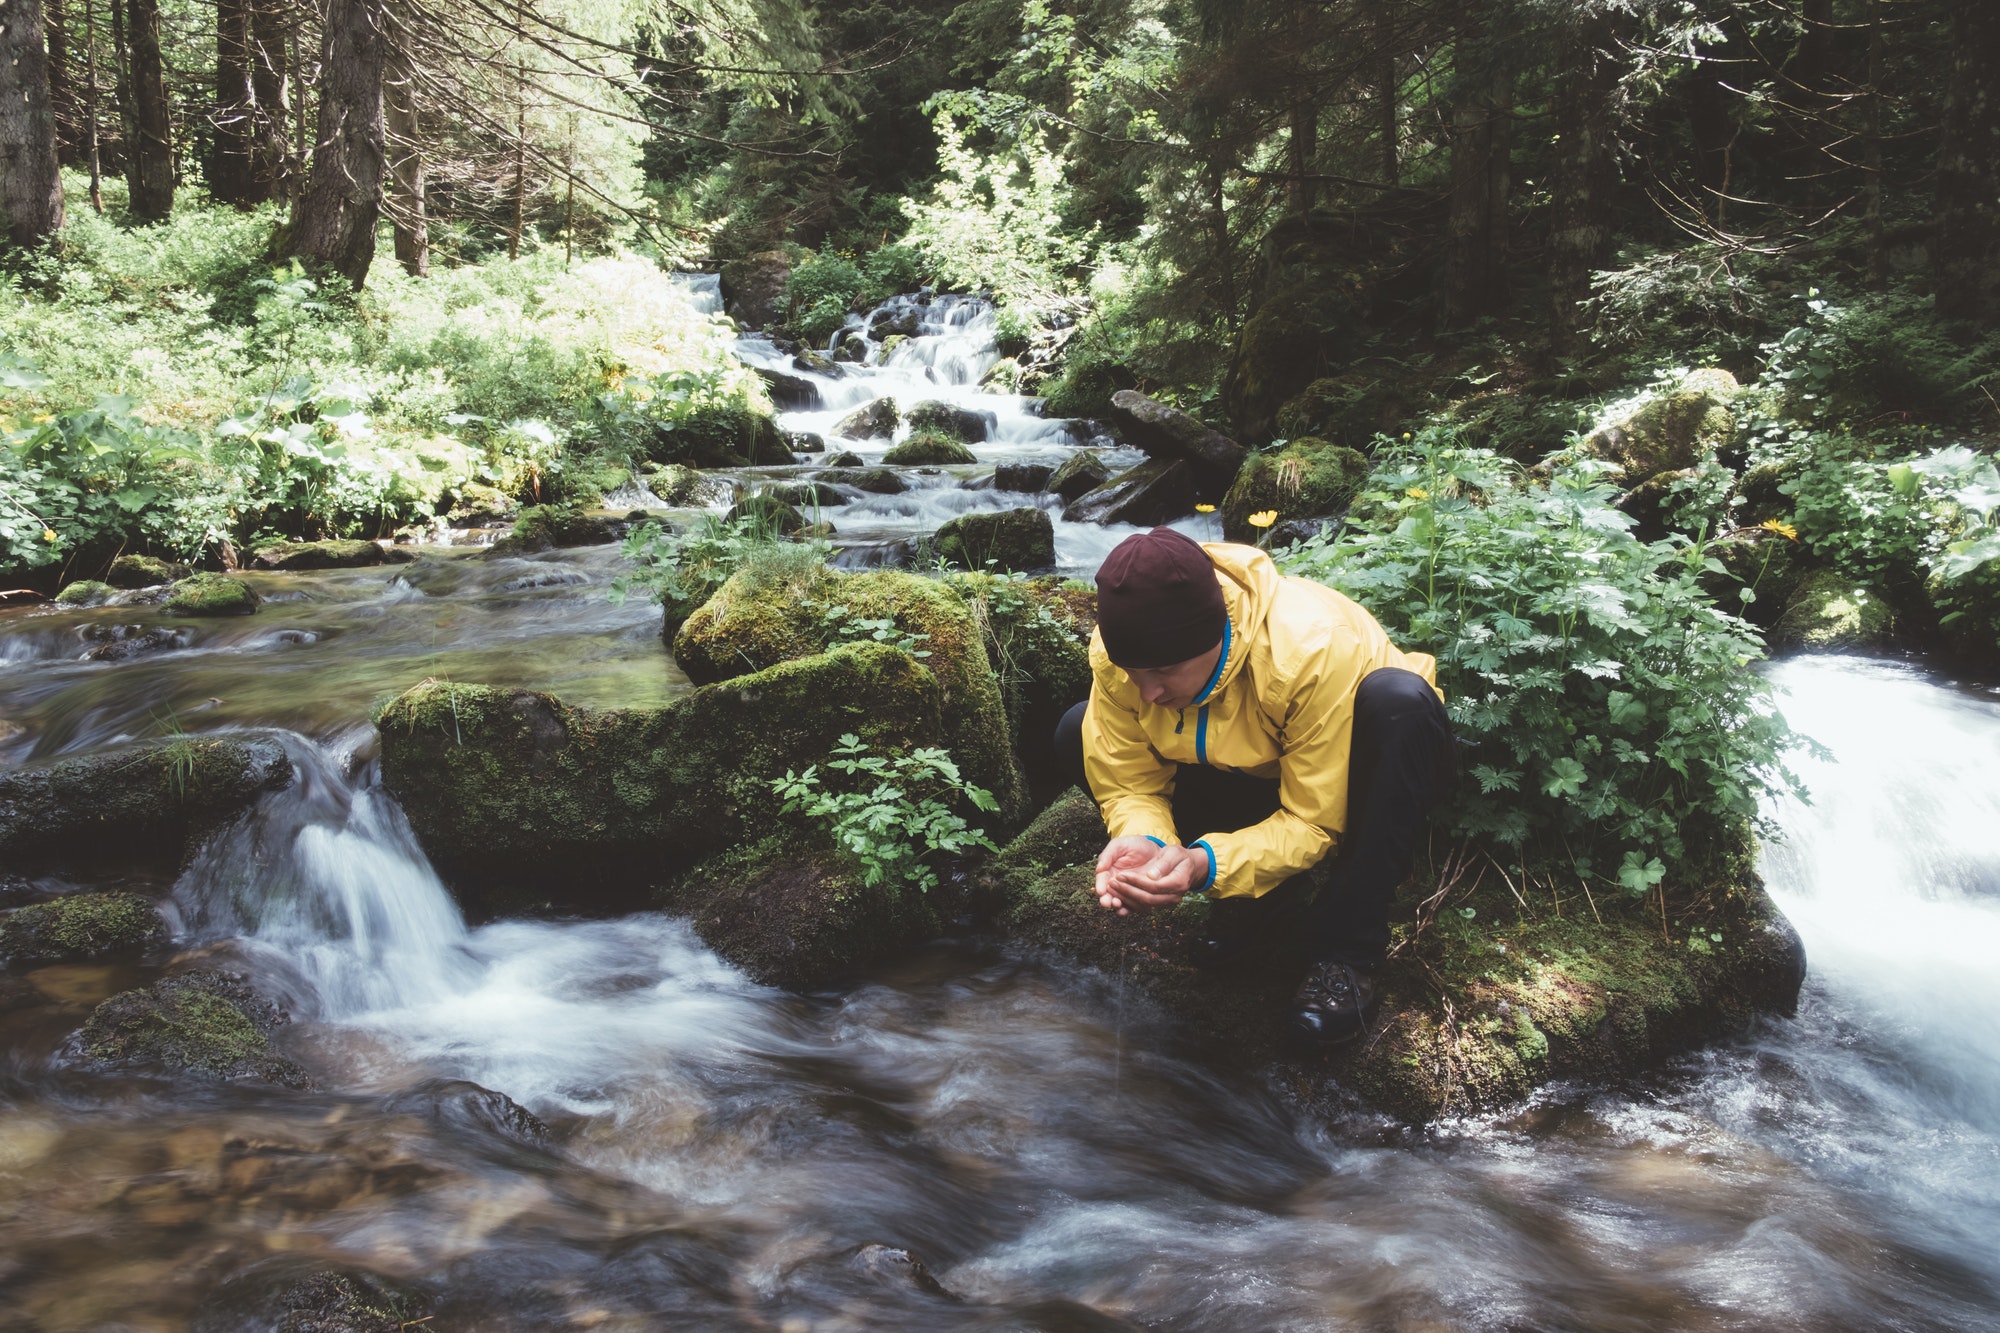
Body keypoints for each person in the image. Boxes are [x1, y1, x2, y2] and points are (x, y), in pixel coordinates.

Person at [1054, 527, 1454, 1048]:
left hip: (1370, 763)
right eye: (1132, 672)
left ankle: (1348, 950)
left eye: (1164, 671)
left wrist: (1203, 864)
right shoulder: (1118, 661)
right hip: (1254, 768)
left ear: (1216, 635)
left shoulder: (1309, 647)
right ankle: (1263, 899)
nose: (1147, 692)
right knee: (1075, 729)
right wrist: (1149, 841)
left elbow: (1313, 819)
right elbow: (1128, 780)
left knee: (1397, 701)